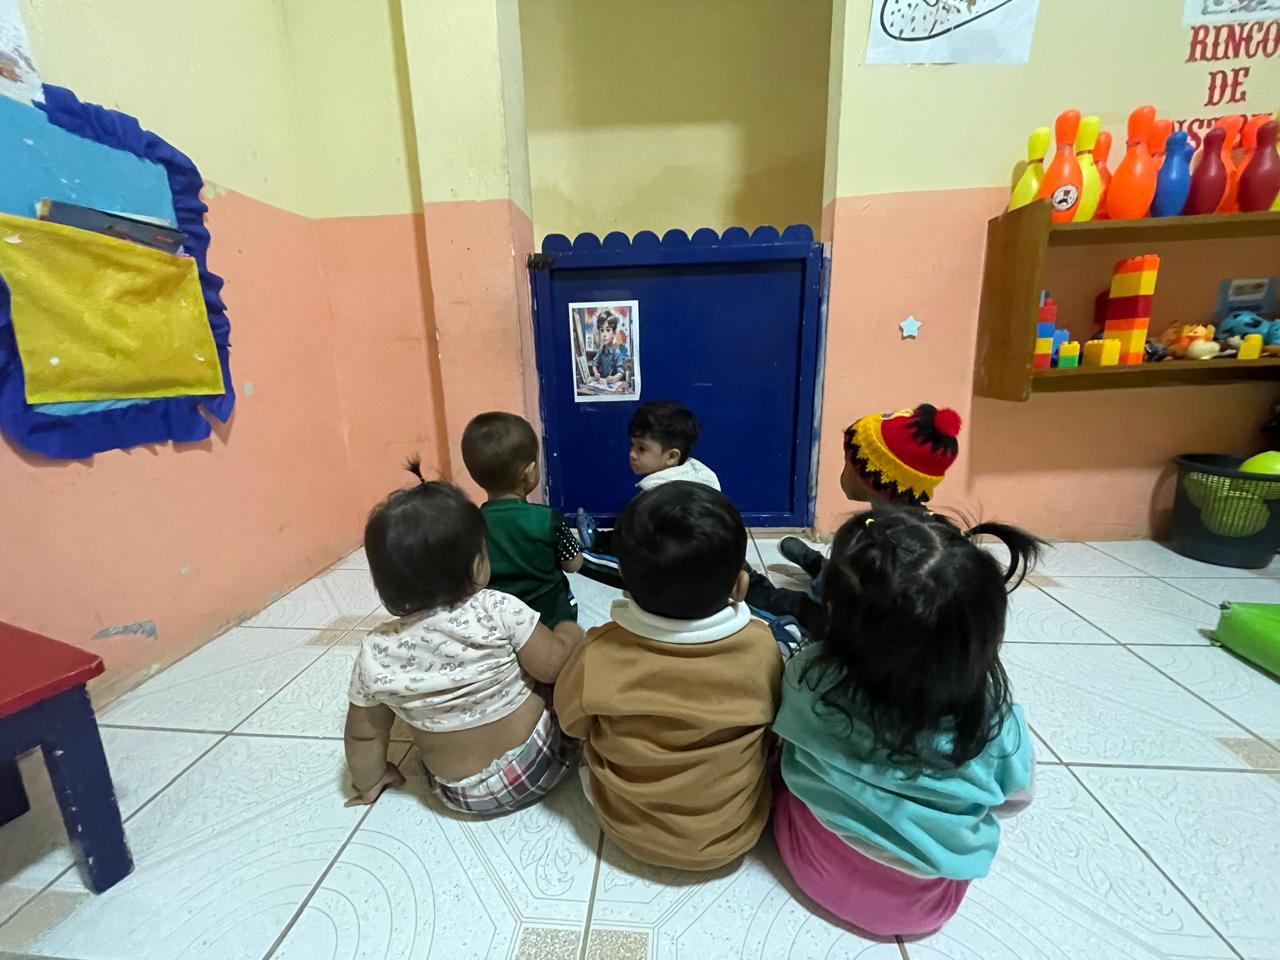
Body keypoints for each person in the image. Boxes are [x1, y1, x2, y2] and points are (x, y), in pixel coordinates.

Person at [771, 505, 1041, 937]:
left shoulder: (807, 674)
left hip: (807, 860)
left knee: (780, 763)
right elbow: (1013, 802)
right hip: (925, 906)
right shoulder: (993, 724)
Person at [555, 481, 782, 870]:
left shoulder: (600, 651)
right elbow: (774, 726)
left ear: (625, 581)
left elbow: (571, 722)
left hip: (625, 829)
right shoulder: (762, 648)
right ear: (741, 585)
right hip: (732, 835)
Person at [343, 461, 581, 815]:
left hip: (456, 794)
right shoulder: (497, 608)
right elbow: (553, 668)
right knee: (564, 663)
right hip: (538, 766)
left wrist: (369, 781)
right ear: (478, 565)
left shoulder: (376, 650)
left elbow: (364, 734)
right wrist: (568, 633)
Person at [747, 403, 962, 638]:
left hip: (862, 629)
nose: (843, 469)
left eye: (847, 460)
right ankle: (820, 566)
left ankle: (760, 588)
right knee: (843, 571)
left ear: (870, 476)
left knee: (802, 606)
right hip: (871, 594)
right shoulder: (929, 526)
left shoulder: (878, 546)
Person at [461, 412, 585, 635]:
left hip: (500, 626)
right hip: (552, 620)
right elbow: (573, 565)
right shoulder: (547, 518)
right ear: (529, 473)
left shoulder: (470, 525)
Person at [576, 401, 720, 587]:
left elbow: (641, 539)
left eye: (641, 449)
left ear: (671, 456)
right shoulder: (698, 472)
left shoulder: (658, 496)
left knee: (627, 560)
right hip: (705, 552)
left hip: (672, 566)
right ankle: (601, 541)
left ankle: (591, 555)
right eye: (632, 445)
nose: (632, 454)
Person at [589, 310, 630, 385]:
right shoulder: (601, 350)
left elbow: (621, 372)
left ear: (614, 333)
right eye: (602, 330)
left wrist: (614, 378)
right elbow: (594, 363)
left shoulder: (617, 352)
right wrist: (596, 372)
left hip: (613, 384)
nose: (604, 334)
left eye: (608, 330)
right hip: (603, 384)